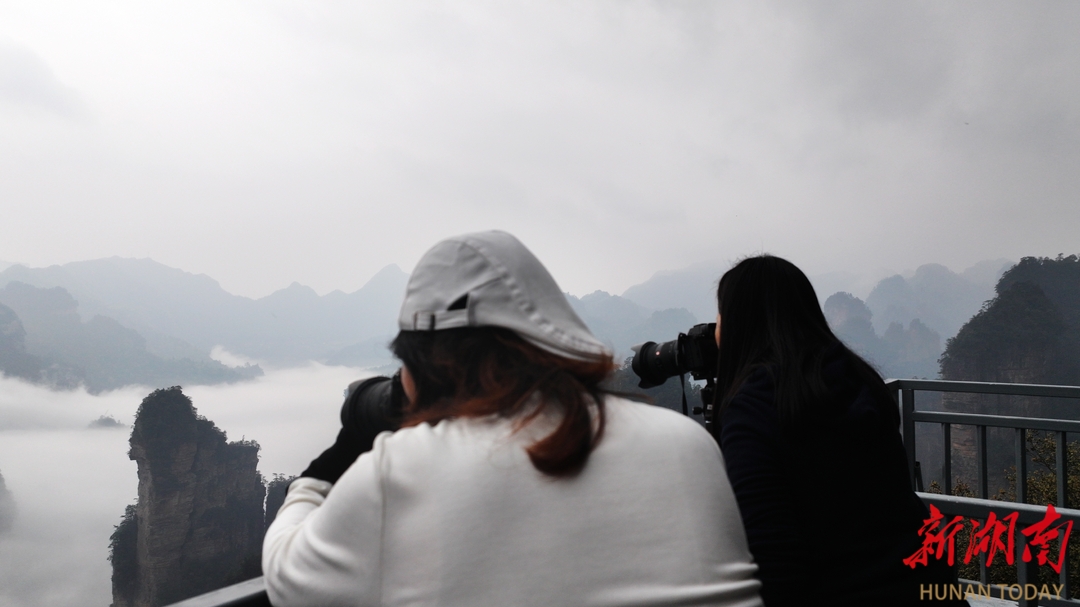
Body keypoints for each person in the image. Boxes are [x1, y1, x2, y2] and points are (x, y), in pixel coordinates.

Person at [263, 230, 763, 607]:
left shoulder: (403, 469)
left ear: (426, 365)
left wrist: (351, 440)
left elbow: (286, 575)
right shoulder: (688, 445)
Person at [710, 255, 966, 606]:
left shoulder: (754, 406)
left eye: (720, 314)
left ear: (739, 324)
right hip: (927, 582)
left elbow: (773, 563)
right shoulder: (856, 378)